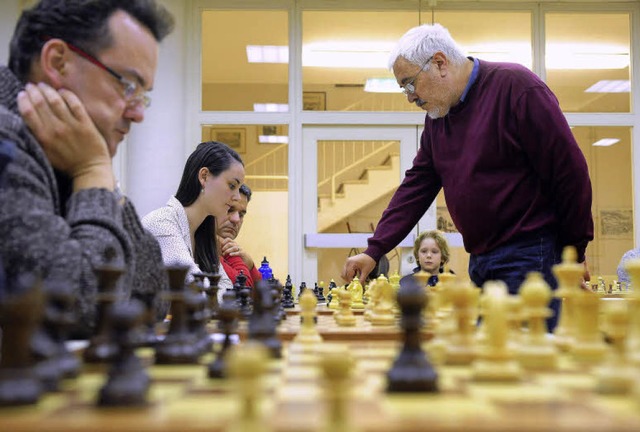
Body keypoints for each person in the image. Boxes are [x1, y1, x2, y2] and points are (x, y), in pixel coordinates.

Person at [341, 23, 594, 330]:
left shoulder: (516, 88)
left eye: (410, 84)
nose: (410, 97)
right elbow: (417, 186)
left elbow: (569, 172)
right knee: (490, 359)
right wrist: (374, 249)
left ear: (439, 63)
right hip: (482, 258)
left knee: (518, 361)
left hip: (530, 255)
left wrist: (574, 250)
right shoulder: (438, 117)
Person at [0, 0, 174, 337]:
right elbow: (82, 311)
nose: (138, 113)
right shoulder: (6, 139)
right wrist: (94, 171)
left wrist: (97, 177)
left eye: (143, 95)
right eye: (127, 85)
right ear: (58, 62)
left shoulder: (67, 155)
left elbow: (152, 299)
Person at [142, 141, 245, 294]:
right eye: (232, 185)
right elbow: (197, 291)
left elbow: (225, 289)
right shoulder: (161, 223)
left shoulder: (204, 233)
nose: (237, 197)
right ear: (204, 177)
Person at [217, 183, 262, 288]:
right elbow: (243, 287)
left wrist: (250, 265)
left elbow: (262, 295)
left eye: (241, 214)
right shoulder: (198, 246)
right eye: (229, 210)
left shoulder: (233, 250)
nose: (236, 219)